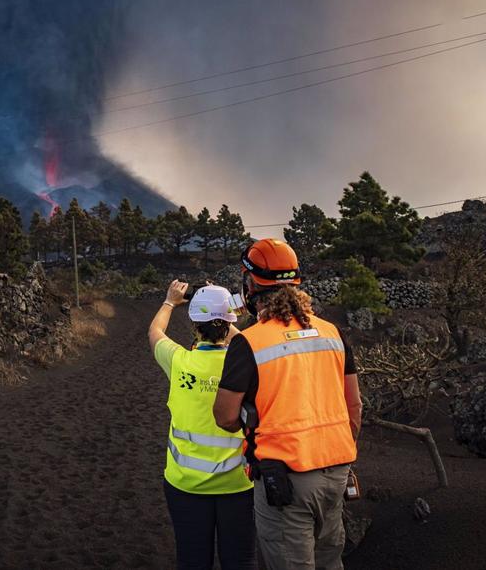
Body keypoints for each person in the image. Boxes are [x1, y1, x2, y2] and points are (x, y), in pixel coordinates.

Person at [213, 239, 363, 570]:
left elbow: (224, 416)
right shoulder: (332, 333)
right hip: (337, 474)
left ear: (250, 285)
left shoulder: (249, 343)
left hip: (285, 485)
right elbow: (354, 407)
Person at [148, 280, 256, 570]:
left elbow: (155, 332)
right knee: (241, 561)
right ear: (229, 322)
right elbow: (245, 344)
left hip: (185, 485)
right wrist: (221, 303)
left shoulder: (179, 362)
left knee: (193, 560)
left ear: (195, 326)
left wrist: (170, 302)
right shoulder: (245, 363)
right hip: (238, 485)